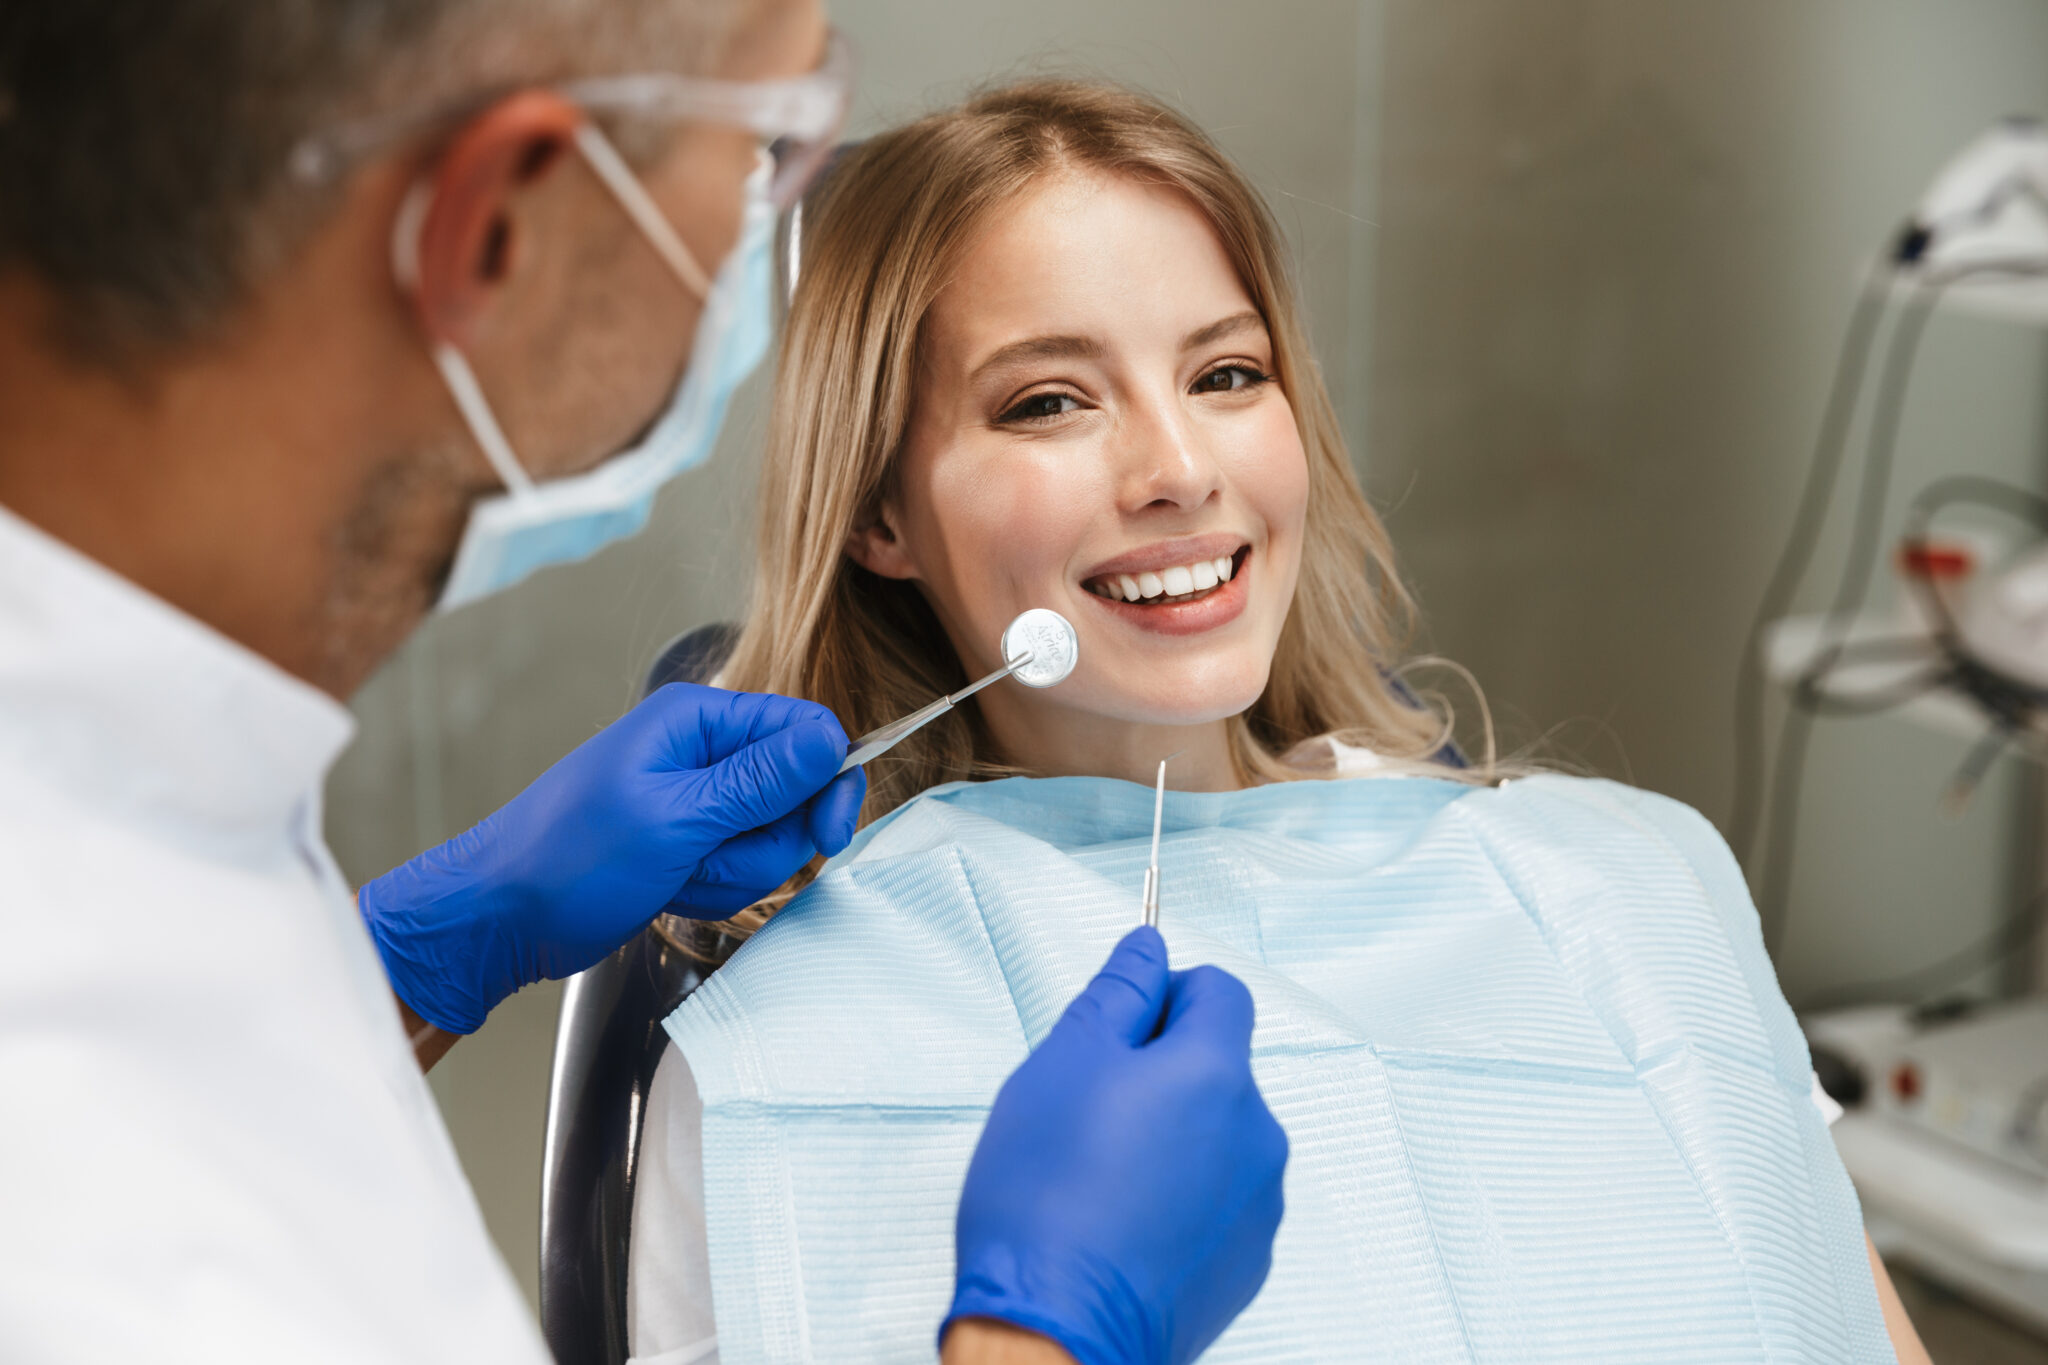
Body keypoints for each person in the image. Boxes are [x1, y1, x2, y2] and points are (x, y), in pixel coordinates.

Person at [0, 7, 1286, 1364]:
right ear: (501, 228)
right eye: (766, 155)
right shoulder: (124, 1266)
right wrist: (1049, 1340)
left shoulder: (122, 826)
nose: (1178, 470)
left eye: (1230, 372)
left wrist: (400, 960)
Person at [625, 80, 1937, 1363]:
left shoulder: (1620, 888)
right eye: (1049, 400)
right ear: (878, 516)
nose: (1183, 469)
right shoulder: (789, 1039)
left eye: (1228, 373)